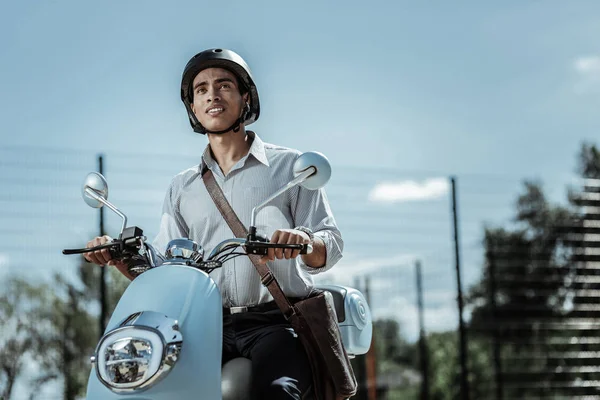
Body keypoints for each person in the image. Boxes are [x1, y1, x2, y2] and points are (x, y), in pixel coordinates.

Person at [83, 48, 343, 399]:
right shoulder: (183, 186)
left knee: (278, 392)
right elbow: (165, 268)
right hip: (205, 325)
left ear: (245, 97)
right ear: (192, 107)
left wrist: (304, 241)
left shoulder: (290, 167)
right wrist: (117, 256)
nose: (212, 95)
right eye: (201, 90)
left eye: (223, 86)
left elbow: (331, 240)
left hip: (274, 321)